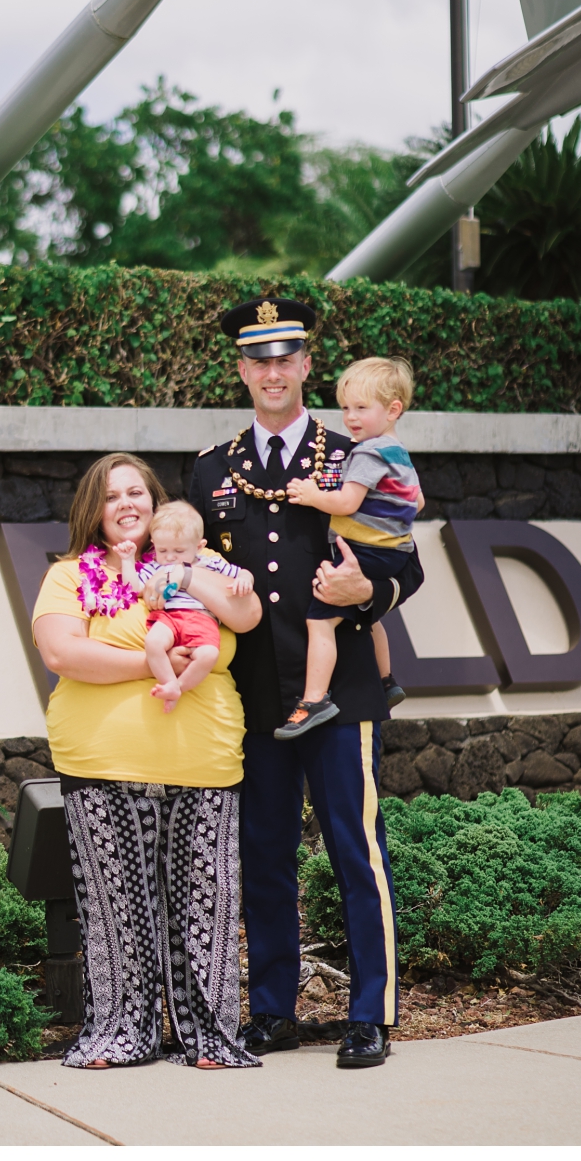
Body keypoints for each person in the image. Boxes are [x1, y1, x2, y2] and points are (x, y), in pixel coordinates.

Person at [185, 298, 424, 1069]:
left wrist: (371, 594)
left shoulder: (355, 447)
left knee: (357, 849)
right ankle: (273, 1009)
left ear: (307, 366)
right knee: (264, 852)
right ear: (242, 369)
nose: (273, 371)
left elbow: (403, 556)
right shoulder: (209, 468)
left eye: (286, 357)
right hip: (256, 694)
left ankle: (370, 1012)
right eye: (259, 359)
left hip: (341, 686)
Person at [30, 453, 263, 1070]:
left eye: (138, 492)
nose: (127, 504)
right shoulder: (69, 575)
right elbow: (62, 652)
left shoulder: (204, 569)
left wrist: (185, 574)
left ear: (158, 505)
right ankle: (119, 1034)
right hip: (103, 760)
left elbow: (246, 615)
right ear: (93, 511)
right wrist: (157, 667)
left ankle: (211, 1038)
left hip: (205, 758)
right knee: (115, 911)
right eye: (112, 497)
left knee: (206, 907)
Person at [282, 356, 424, 733]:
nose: (350, 418)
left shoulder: (367, 451)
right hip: (396, 550)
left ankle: (314, 699)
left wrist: (311, 494)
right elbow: (419, 503)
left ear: (393, 409)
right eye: (346, 408)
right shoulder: (399, 452)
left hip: (365, 552)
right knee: (368, 615)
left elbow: (346, 503)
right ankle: (387, 680)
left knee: (319, 620)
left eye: (361, 408)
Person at [140, 500, 255, 713]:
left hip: (202, 619)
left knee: (209, 654)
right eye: (162, 550)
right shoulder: (156, 566)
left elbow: (241, 573)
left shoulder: (209, 563)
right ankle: (168, 682)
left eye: (179, 550)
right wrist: (128, 561)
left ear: (199, 547)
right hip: (170, 616)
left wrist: (245, 580)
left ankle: (179, 687)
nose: (170, 557)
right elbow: (135, 586)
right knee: (153, 643)